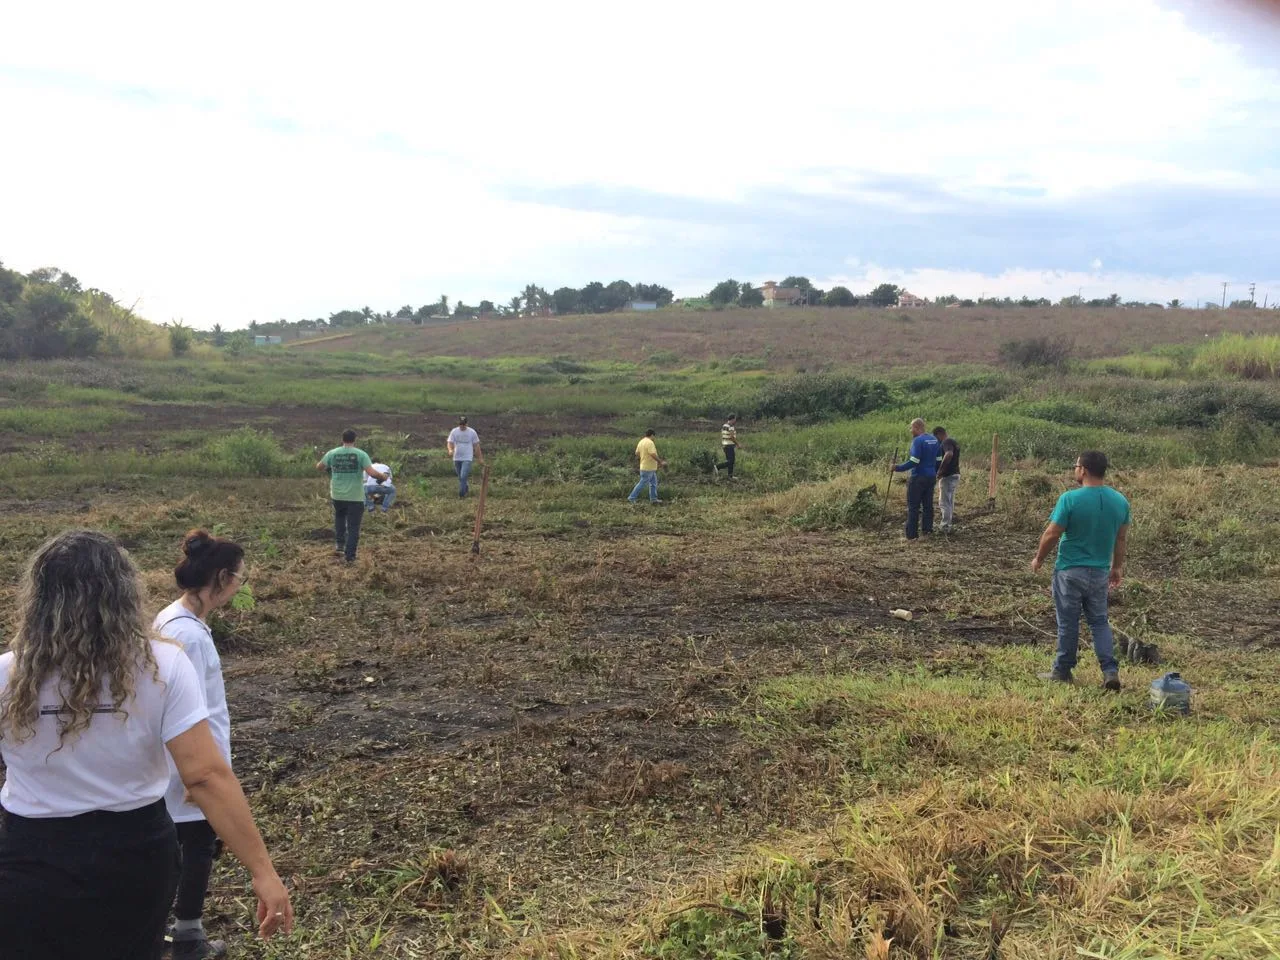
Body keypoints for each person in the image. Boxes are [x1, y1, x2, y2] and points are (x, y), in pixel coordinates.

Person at [0, 531, 292, 960]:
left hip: (31, 855)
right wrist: (263, 872)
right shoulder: (161, 665)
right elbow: (206, 776)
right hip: (133, 852)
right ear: (123, 592)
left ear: (38, 596)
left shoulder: (7, 673)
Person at [154, 530, 245, 959]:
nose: (240, 587)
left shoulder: (181, 620)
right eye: (239, 579)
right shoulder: (186, 635)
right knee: (196, 845)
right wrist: (200, 775)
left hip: (189, 763)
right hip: (189, 765)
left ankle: (174, 931)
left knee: (191, 844)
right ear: (222, 577)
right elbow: (188, 710)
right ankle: (186, 937)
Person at [1030, 450, 1130, 691]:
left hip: (1069, 571)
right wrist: (1116, 567)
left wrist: (1039, 558)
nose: (1074, 470)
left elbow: (1052, 533)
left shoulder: (1070, 499)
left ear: (1083, 470)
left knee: (1068, 623)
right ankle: (1109, 670)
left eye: (1076, 466)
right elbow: (1121, 539)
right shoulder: (1120, 501)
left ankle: (1063, 670)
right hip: (1099, 573)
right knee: (1099, 621)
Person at [316, 429, 387, 562]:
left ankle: (340, 546)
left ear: (342, 439)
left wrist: (330, 468)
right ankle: (350, 557)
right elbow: (371, 473)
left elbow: (319, 466)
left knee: (339, 518)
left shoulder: (332, 453)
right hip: (355, 496)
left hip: (337, 495)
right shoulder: (361, 454)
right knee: (353, 526)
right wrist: (382, 476)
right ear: (355, 439)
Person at [892, 418, 942, 539]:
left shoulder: (917, 441)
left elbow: (914, 461)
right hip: (930, 477)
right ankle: (927, 531)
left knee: (913, 506)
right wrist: (933, 472)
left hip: (918, 477)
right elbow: (939, 459)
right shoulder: (934, 440)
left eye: (912, 428)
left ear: (917, 427)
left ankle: (912, 535)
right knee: (928, 505)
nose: (911, 430)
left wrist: (897, 468)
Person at [446, 416, 483, 498]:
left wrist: (480, 458)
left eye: (463, 424)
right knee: (460, 477)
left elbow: (476, 445)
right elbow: (450, 442)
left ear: (467, 424)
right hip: (457, 457)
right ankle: (465, 488)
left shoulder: (472, 432)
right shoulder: (454, 431)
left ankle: (461, 494)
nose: (462, 426)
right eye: (460, 424)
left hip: (467, 457)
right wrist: (450, 450)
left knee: (463, 476)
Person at [628, 428, 667, 504]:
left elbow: (637, 453)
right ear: (652, 435)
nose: (654, 438)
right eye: (654, 436)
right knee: (642, 483)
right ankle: (631, 498)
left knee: (653, 483)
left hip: (647, 467)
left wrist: (643, 458)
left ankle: (653, 499)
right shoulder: (650, 442)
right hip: (648, 468)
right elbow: (652, 454)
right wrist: (660, 462)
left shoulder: (641, 442)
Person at [933, 426, 960, 533]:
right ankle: (948, 524)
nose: (937, 441)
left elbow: (949, 454)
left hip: (948, 476)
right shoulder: (954, 442)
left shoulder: (946, 442)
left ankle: (945, 527)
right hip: (955, 474)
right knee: (949, 501)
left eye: (936, 438)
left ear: (939, 434)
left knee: (944, 502)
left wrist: (940, 471)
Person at [716, 414, 745, 481]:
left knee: (730, 461)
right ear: (732, 419)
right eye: (735, 419)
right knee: (731, 461)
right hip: (729, 446)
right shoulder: (731, 426)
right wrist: (738, 444)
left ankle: (730, 476)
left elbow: (723, 435)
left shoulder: (724, 425)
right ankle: (718, 467)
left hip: (725, 445)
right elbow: (731, 437)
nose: (735, 421)